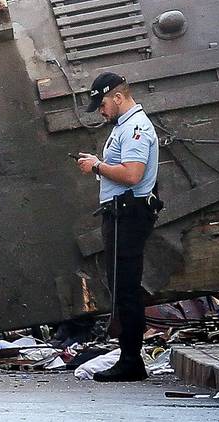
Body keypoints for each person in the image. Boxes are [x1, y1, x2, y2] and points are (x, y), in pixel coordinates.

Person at [74, 71, 161, 382]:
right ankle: (128, 357)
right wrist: (98, 162)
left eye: (102, 104)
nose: (101, 110)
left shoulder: (135, 128)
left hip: (129, 214)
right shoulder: (125, 127)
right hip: (120, 214)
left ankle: (131, 361)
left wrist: (97, 165)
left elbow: (133, 175)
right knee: (122, 286)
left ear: (119, 97)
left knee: (126, 288)